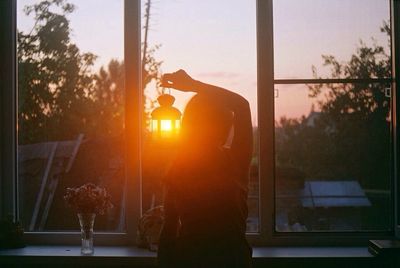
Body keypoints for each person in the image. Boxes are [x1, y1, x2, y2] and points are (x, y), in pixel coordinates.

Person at [157, 70, 253, 268]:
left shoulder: (178, 170)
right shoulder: (235, 162)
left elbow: (168, 233)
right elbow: (242, 105)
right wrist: (194, 85)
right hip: (233, 261)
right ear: (224, 125)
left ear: (188, 125)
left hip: (189, 259)